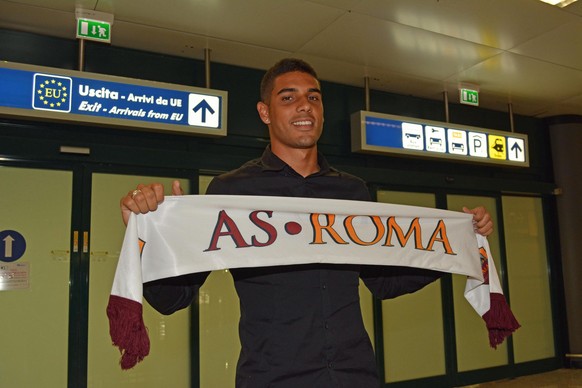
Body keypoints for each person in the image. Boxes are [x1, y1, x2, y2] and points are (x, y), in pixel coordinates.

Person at [120, 58, 493, 388]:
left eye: (313, 97)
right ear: (265, 112)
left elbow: (385, 282)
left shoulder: (352, 192)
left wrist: (455, 245)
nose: (304, 106)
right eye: (289, 97)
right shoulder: (231, 190)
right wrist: (149, 235)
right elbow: (173, 299)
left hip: (354, 374)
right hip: (271, 377)